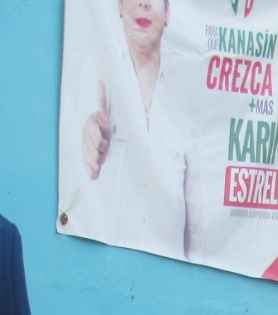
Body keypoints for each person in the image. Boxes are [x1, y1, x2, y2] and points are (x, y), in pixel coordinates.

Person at [65, 0, 196, 261]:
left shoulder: (184, 96)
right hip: (103, 267)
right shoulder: (99, 67)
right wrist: (92, 143)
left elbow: (195, 225)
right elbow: (85, 138)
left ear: (168, 12)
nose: (144, 4)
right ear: (119, 6)